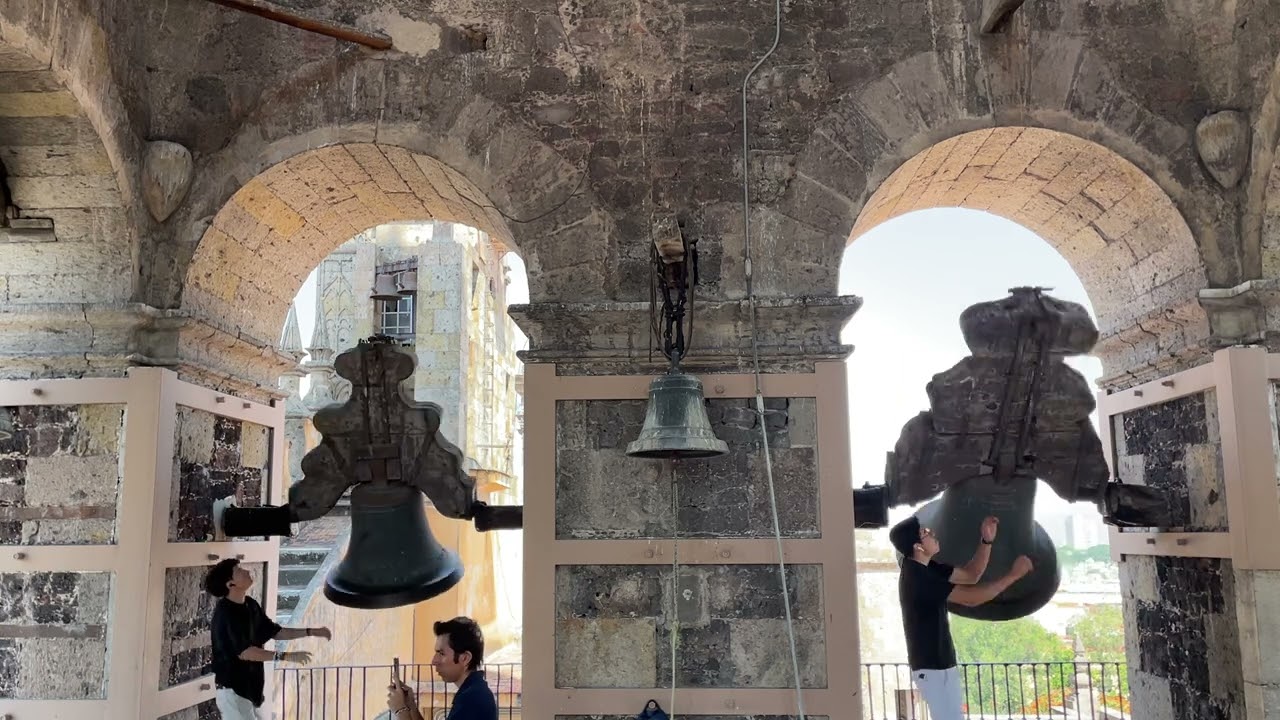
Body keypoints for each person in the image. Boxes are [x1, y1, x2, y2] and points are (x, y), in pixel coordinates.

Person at [889, 514, 1033, 720]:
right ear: (918, 547)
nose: (932, 533)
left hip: (940, 664)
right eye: (924, 533)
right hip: (931, 669)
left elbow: (972, 575)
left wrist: (986, 540)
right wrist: (1014, 575)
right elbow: (972, 598)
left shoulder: (927, 568)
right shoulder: (918, 578)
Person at [204, 558, 332, 720]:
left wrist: (311, 631)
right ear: (231, 585)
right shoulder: (225, 614)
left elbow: (275, 632)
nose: (246, 571)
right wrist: (285, 656)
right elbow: (245, 652)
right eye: (239, 571)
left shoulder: (250, 605)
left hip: (250, 692)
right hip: (233, 693)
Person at [387, 616, 498, 720]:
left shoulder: (472, 699)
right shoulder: (473, 692)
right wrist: (410, 705)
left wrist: (401, 710)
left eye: (441, 653)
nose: (434, 661)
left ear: (465, 658)